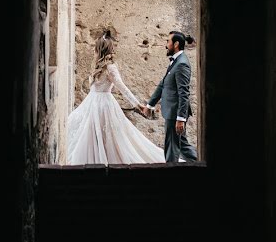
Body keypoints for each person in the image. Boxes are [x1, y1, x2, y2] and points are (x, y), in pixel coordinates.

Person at [66, 31, 165, 165]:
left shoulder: (104, 67)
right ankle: (99, 161)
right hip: (99, 103)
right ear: (109, 49)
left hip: (96, 102)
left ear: (98, 49)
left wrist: (136, 104)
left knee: (102, 135)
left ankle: (102, 161)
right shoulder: (107, 67)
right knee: (96, 134)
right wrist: (138, 105)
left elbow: (119, 87)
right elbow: (123, 88)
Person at [138, 31, 198, 163]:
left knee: (172, 147)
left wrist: (181, 118)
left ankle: (169, 176)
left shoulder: (182, 64)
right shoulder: (176, 61)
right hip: (172, 112)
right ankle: (201, 162)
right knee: (182, 145)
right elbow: (163, 84)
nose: (166, 45)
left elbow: (184, 93)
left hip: (175, 113)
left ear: (176, 44)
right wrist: (150, 105)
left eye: (168, 41)